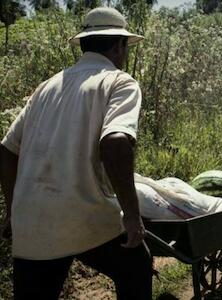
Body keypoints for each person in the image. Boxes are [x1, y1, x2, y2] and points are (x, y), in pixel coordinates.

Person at [0, 7, 152, 300]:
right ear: (120, 45)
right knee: (136, 265)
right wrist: (132, 216)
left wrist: (12, 212)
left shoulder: (46, 87)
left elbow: (6, 151)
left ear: (83, 43)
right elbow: (116, 142)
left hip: (32, 220)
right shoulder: (119, 82)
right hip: (85, 216)